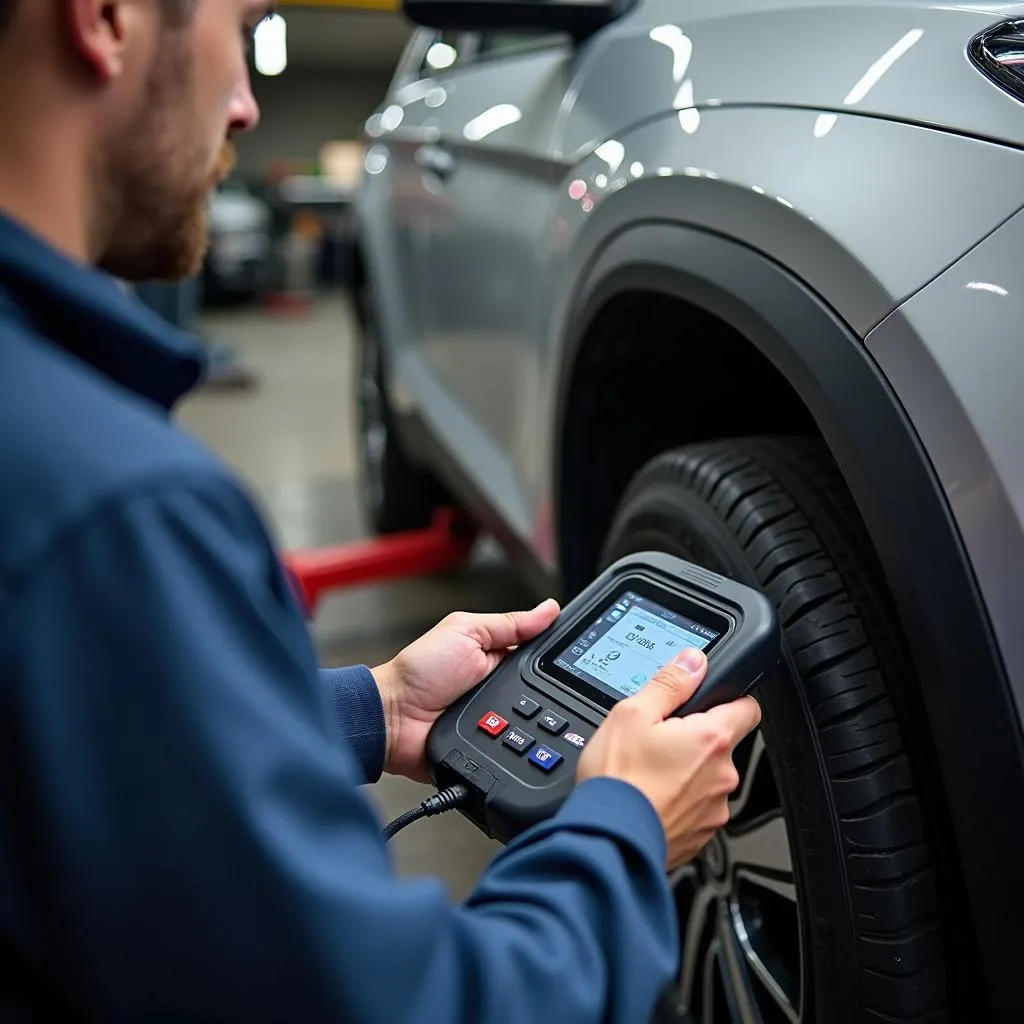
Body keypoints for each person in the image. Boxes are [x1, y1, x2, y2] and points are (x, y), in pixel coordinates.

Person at [0, 2, 762, 1021]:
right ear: (105, 18)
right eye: (244, 29)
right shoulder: (119, 516)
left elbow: (89, 741)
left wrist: (371, 707)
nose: (243, 105)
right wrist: (621, 828)